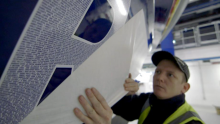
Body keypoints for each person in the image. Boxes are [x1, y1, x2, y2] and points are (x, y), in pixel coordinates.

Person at [73, 51, 205, 124]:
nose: (159, 78)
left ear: (185, 88)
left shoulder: (190, 122)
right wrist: (124, 91)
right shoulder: (150, 100)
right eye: (158, 72)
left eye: (170, 75)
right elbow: (125, 110)